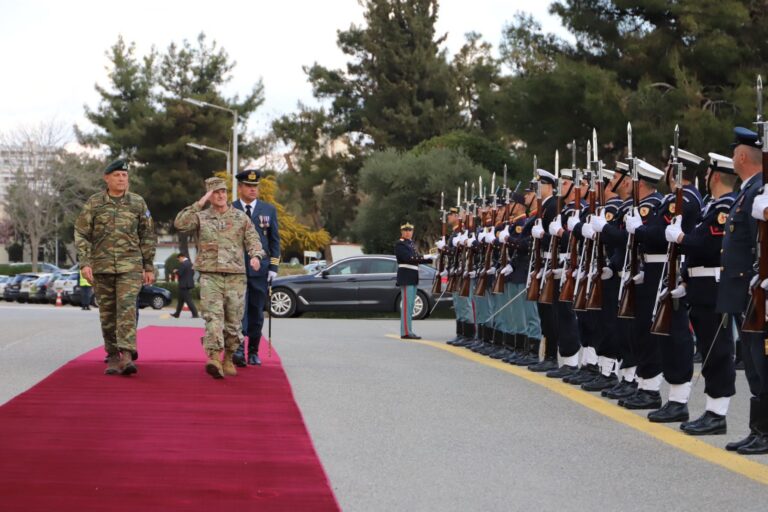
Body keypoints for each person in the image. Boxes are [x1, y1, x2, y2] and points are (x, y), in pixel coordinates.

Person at [174, 177, 265, 379]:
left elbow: (253, 239)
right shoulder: (201, 216)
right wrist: (199, 203)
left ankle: (229, 357)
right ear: (209, 195)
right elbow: (180, 223)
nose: (221, 195)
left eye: (223, 191)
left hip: (235, 277)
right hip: (210, 275)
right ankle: (214, 357)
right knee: (213, 317)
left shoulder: (240, 218)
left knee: (233, 322)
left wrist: (256, 256)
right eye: (216, 192)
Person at [74, 159, 157, 376]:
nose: (122, 179)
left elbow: (147, 235)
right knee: (108, 313)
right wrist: (85, 262)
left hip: (130, 267)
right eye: (117, 175)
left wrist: (148, 266)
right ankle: (112, 354)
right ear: (107, 178)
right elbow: (81, 232)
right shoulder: (95, 203)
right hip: (101, 267)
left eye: (125, 175)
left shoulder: (137, 203)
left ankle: (127, 354)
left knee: (127, 309)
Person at [723, 127, 768, 454]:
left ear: (741, 156)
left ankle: (764, 432)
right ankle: (758, 430)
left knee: (761, 361)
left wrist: (759, 276)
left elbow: (760, 243)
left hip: (757, 289)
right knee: (753, 363)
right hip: (746, 289)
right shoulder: (749, 190)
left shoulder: (759, 191)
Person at [231, 169, 281, 367]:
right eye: (249, 186)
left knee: (256, 312)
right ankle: (237, 350)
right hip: (236, 269)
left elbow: (274, 240)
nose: (253, 190)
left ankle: (253, 351)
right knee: (237, 312)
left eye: (255, 186)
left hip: (260, 270)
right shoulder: (230, 208)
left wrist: (273, 268)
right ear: (240, 188)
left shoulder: (268, 210)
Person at [396, 222, 434, 339]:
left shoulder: (410, 244)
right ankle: (406, 332)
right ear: (402, 232)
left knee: (411, 305)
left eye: (410, 230)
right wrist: (426, 258)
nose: (408, 233)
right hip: (406, 277)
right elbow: (409, 258)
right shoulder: (400, 244)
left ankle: (408, 330)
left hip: (412, 277)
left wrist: (429, 258)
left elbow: (416, 258)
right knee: (407, 306)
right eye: (406, 230)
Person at [171, 253, 199, 318]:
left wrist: (175, 271)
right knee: (180, 300)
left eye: (179, 259)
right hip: (188, 283)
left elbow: (180, 273)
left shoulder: (183, 264)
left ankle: (195, 314)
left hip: (183, 284)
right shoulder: (190, 263)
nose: (179, 261)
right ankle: (177, 313)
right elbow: (192, 273)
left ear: (181, 257)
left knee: (188, 300)